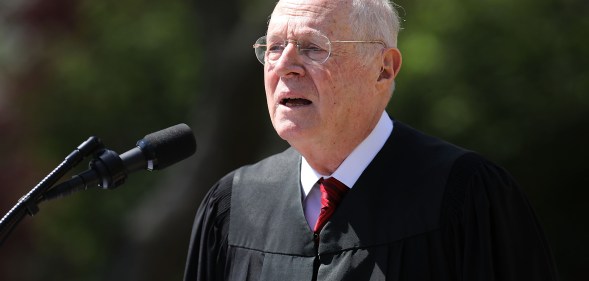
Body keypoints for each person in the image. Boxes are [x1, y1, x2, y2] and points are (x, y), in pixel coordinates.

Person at [183, 0, 559, 280]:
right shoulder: (234, 206)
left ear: (384, 68)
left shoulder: (464, 196)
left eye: (313, 48)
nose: (284, 65)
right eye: (275, 47)